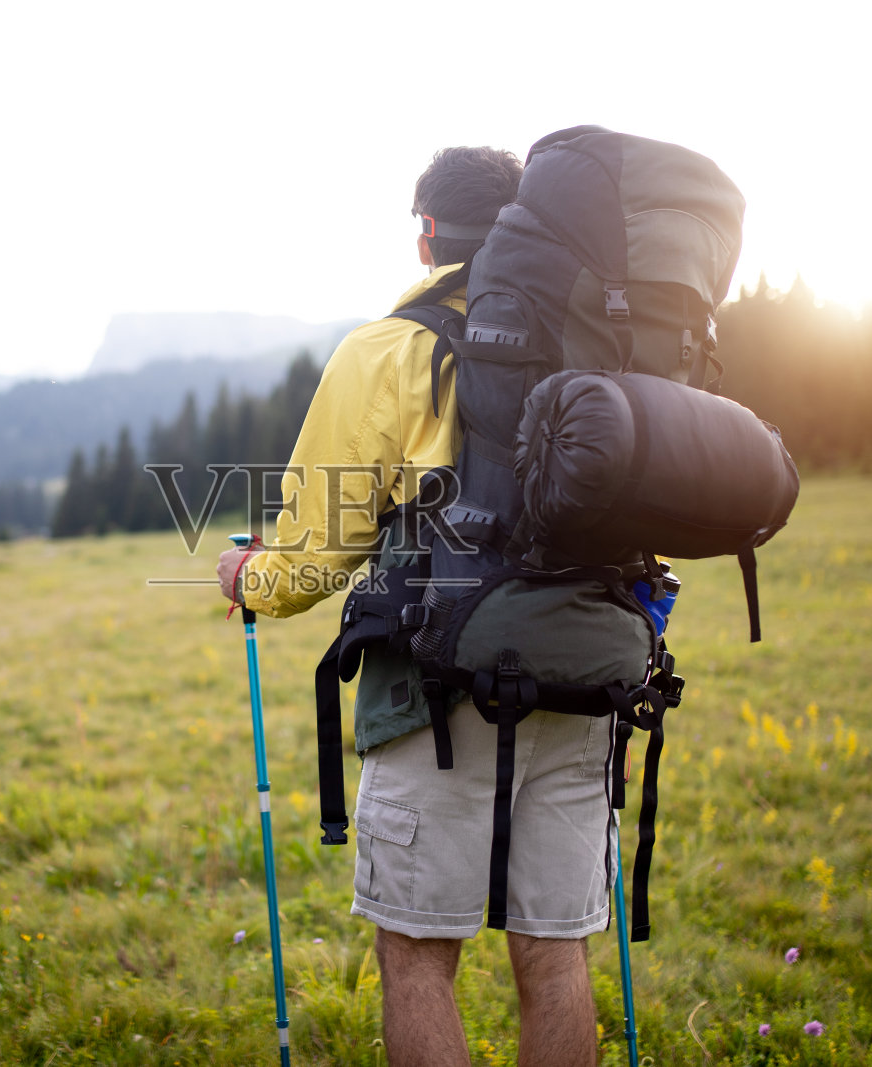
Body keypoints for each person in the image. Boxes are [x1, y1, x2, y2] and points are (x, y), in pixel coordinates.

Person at [215, 146, 611, 1067]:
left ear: (427, 231)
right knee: (554, 955)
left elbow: (314, 554)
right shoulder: (590, 342)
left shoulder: (389, 348)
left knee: (419, 957)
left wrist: (251, 579)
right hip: (586, 679)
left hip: (444, 690)